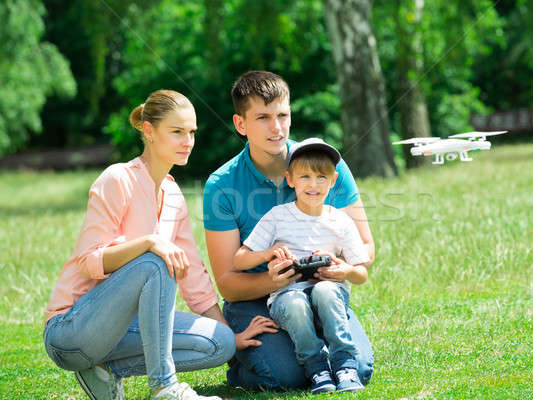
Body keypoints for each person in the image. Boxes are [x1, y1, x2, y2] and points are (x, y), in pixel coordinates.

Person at [44, 89, 277, 400]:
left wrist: (232, 336)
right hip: (70, 331)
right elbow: (91, 261)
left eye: (192, 132)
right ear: (149, 132)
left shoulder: (173, 195)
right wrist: (150, 243)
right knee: (156, 259)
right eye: (177, 132)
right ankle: (165, 387)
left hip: (120, 334)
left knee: (220, 341)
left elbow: (193, 275)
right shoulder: (117, 179)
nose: (188, 141)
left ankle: (105, 369)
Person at [203, 71, 375, 390]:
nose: (277, 127)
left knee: (359, 370)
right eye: (263, 117)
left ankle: (319, 348)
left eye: (282, 115)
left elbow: (365, 247)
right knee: (288, 377)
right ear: (241, 124)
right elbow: (227, 283)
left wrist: (339, 268)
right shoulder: (221, 185)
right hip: (256, 300)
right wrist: (276, 279)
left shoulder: (324, 164)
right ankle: (243, 367)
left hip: (323, 292)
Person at [233, 138, 371, 394]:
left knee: (325, 291)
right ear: (290, 179)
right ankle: (317, 368)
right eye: (305, 176)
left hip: (329, 295)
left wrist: (344, 271)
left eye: (321, 177)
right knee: (296, 303)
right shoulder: (277, 216)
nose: (313, 184)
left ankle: (345, 365)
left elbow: (361, 273)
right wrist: (268, 254)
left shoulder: (340, 220)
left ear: (333, 180)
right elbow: (240, 259)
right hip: (287, 296)